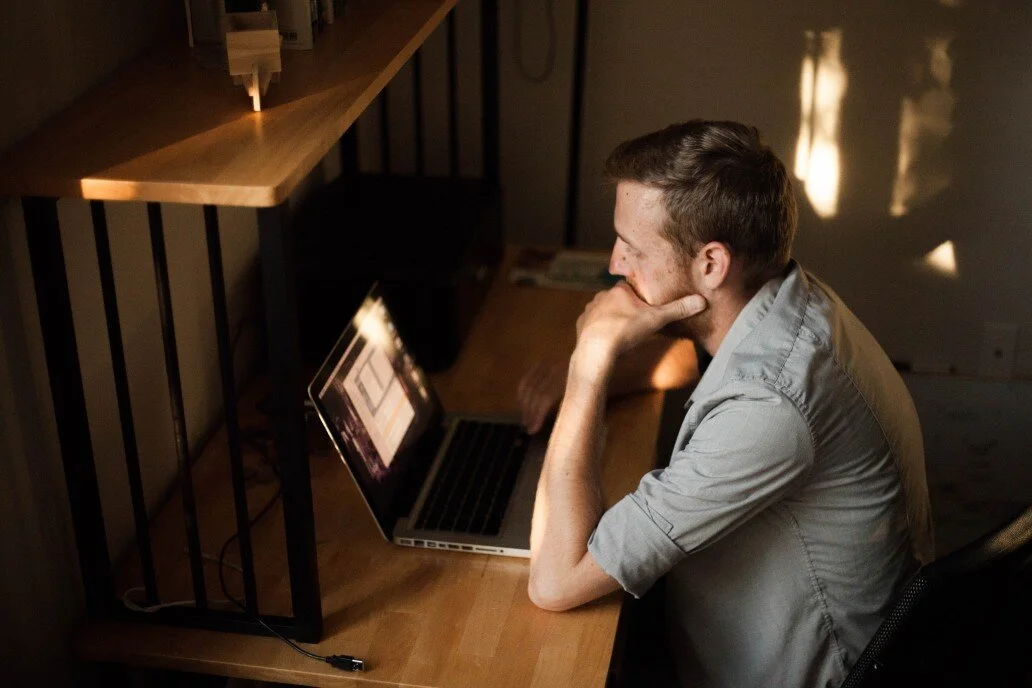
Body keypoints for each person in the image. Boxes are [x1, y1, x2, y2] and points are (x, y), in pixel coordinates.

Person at [522, 120, 934, 688]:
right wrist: (614, 370)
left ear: (712, 265)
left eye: (633, 248)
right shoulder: (791, 299)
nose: (615, 265)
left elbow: (554, 582)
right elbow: (704, 362)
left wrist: (589, 365)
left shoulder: (769, 407)